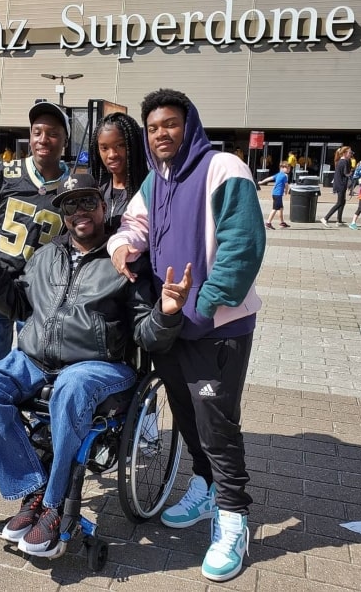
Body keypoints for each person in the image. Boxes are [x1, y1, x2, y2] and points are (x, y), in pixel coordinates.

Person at [0, 173, 192, 558]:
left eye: (88, 202)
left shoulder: (124, 262)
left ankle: (53, 506)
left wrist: (167, 314)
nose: (79, 212)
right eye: (70, 205)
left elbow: (145, 333)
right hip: (34, 359)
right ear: (63, 213)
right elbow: (17, 306)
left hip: (99, 366)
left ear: (103, 207)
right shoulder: (46, 255)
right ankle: (32, 490)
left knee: (72, 387)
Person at [108, 88, 265, 583]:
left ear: (189, 124)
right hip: (171, 321)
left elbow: (243, 246)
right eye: (154, 128)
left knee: (218, 424)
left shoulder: (225, 168)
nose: (162, 134)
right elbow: (133, 222)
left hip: (217, 326)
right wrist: (123, 244)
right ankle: (203, 486)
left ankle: (234, 517)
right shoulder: (156, 181)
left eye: (170, 124)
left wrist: (202, 302)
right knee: (185, 414)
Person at [0, 101, 71, 453]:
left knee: (34, 363)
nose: (44, 139)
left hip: (37, 296)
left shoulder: (72, 185)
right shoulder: (5, 174)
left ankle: (38, 424)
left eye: (53, 133)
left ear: (64, 140)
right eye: (38, 132)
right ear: (29, 137)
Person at [89, 111, 148, 232]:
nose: (112, 155)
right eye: (104, 148)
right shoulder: (94, 186)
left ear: (133, 145)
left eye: (120, 145)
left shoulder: (148, 188)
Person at [321, 146, 353, 227]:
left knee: (342, 202)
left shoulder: (341, 161)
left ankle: (339, 220)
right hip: (341, 185)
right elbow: (346, 173)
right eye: (349, 152)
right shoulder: (344, 161)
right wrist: (353, 172)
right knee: (339, 203)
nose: (351, 154)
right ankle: (325, 218)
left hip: (340, 184)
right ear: (345, 153)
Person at [259, 161, 291, 229]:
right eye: (287, 168)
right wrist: (286, 191)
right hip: (278, 194)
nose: (289, 170)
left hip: (275, 194)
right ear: (282, 168)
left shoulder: (278, 174)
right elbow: (286, 185)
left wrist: (262, 182)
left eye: (289, 168)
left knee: (281, 208)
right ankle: (268, 223)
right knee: (275, 209)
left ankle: (282, 223)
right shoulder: (285, 175)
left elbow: (269, 178)